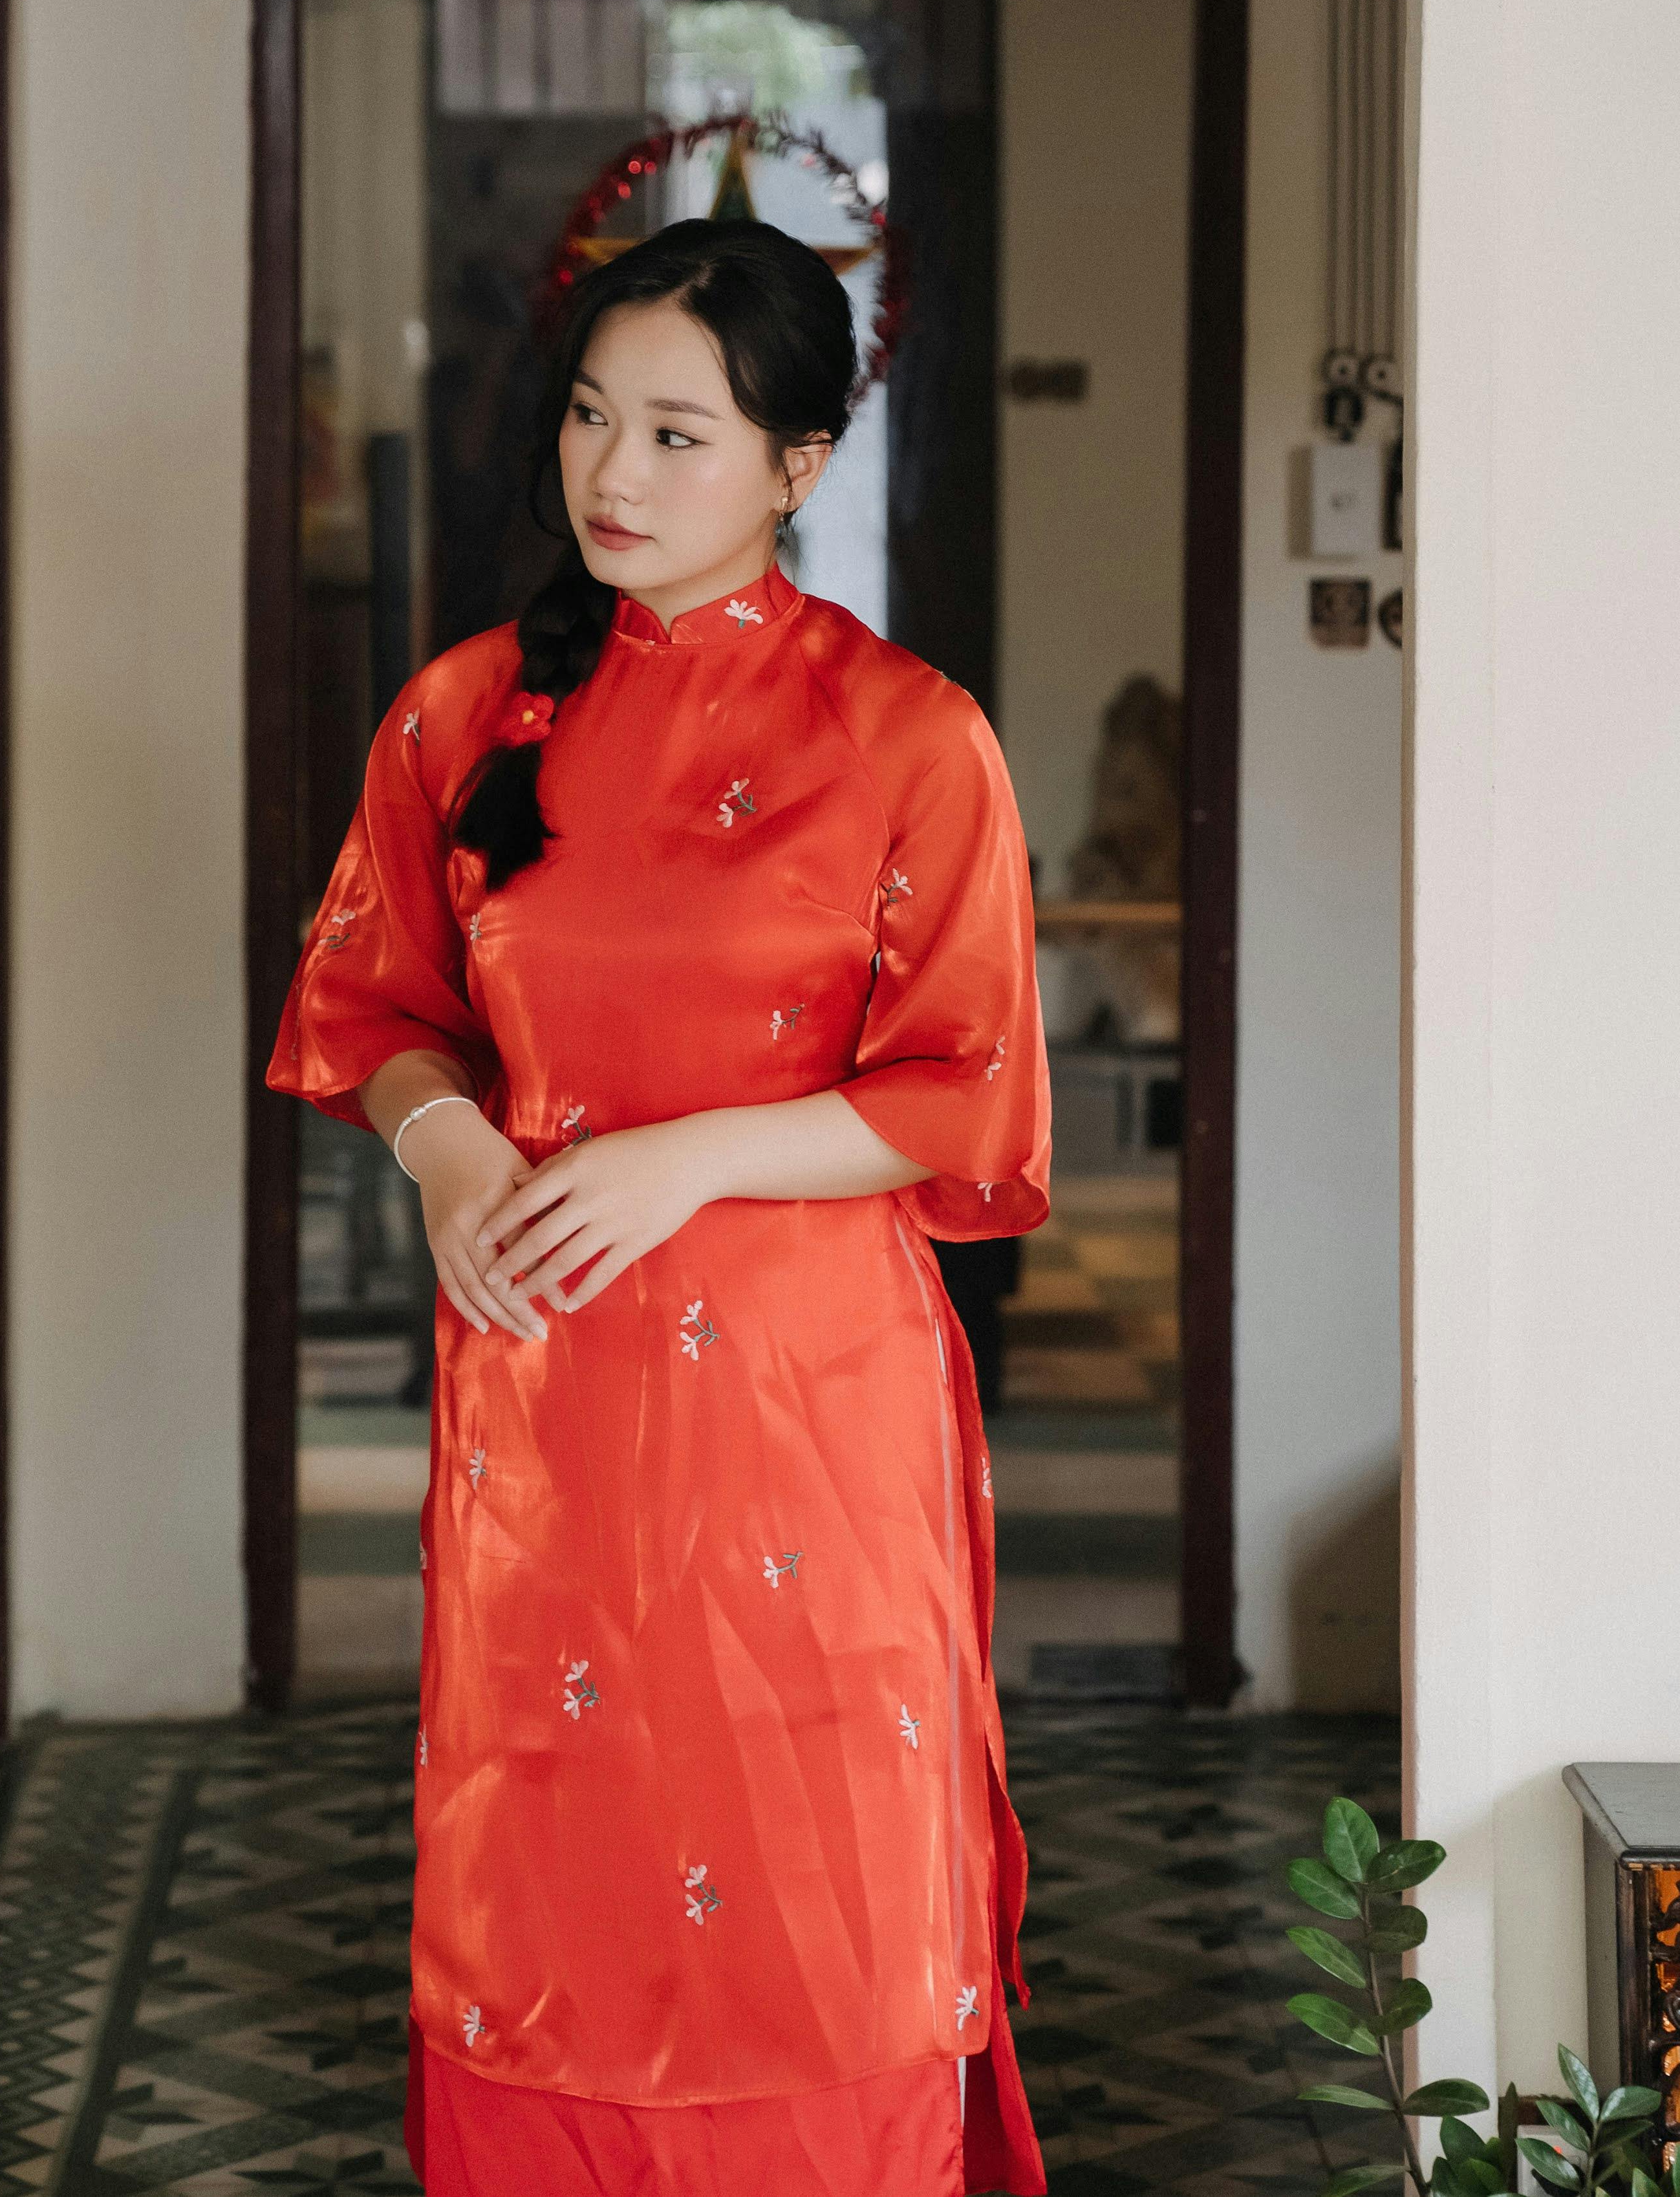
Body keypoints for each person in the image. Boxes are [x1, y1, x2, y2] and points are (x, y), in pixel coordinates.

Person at [269, 217, 1050, 2197]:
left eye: (679, 435)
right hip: (557, 1399)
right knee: (551, 1883)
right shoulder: (464, 718)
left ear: (798, 463)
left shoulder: (908, 736)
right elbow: (374, 1010)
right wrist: (456, 1158)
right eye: (591, 418)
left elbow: (960, 1086)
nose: (612, 475)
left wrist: (686, 1149)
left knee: (826, 1886)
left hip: (809, 1409)